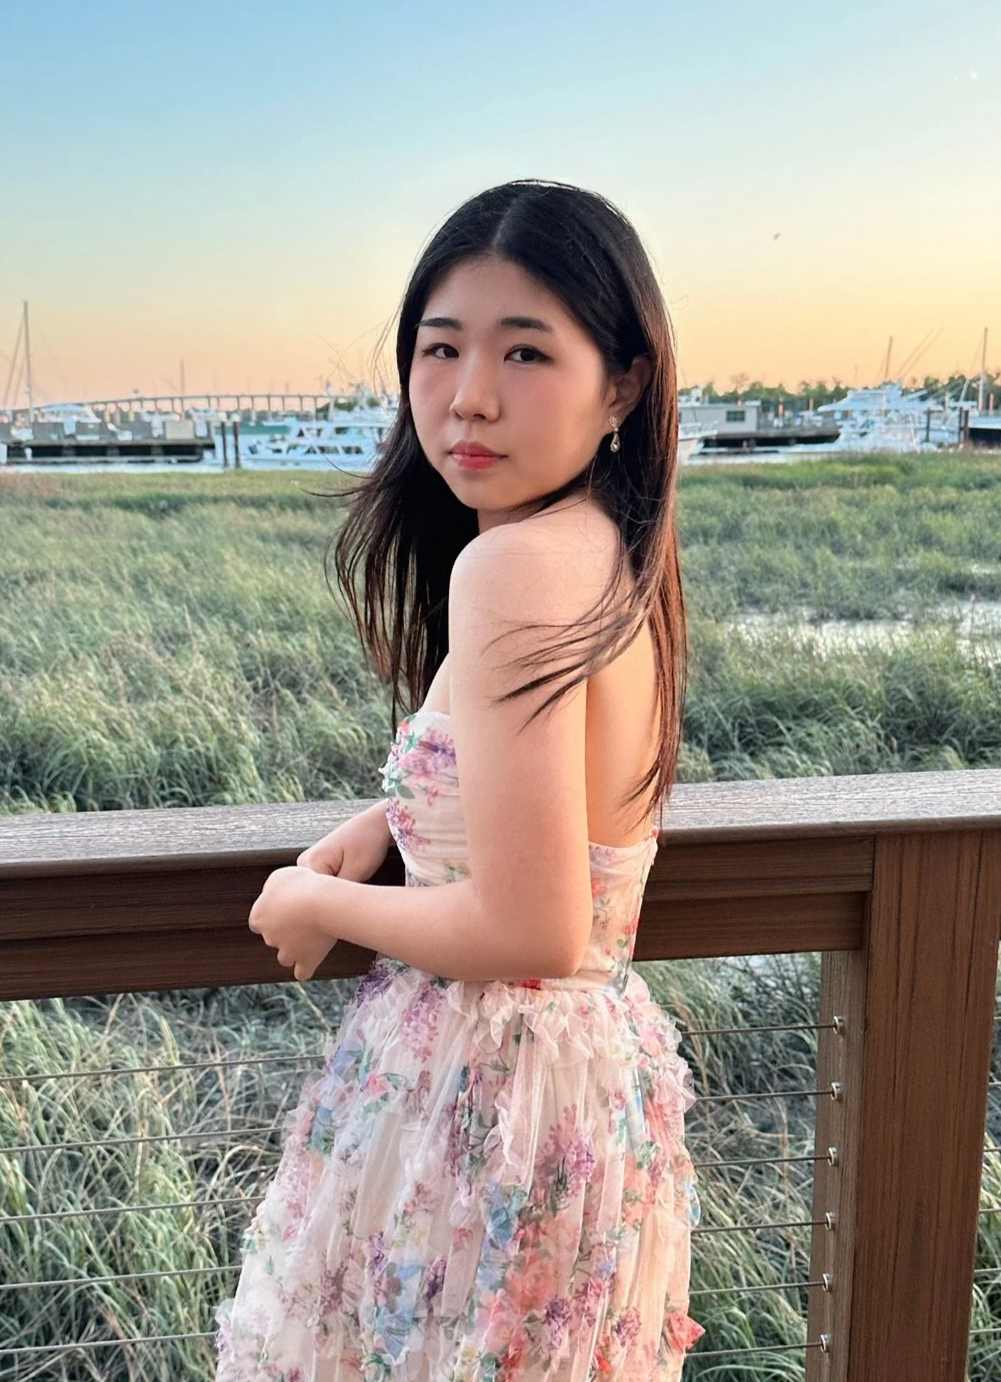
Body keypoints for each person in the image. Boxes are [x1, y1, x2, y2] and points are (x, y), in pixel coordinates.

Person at [214, 178, 704, 1381]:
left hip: (489, 1093)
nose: (468, 395)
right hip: (575, 1088)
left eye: (524, 350)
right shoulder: (606, 544)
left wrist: (315, 899)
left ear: (623, 383)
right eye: (440, 348)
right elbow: (546, 796)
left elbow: (532, 925)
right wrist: (394, 818)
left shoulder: (513, 568)